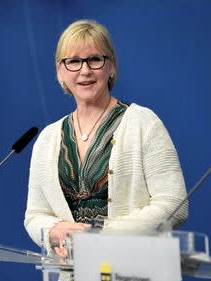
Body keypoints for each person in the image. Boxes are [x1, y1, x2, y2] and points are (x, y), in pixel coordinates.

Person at [24, 19, 188, 259]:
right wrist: (52, 231)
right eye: (73, 61)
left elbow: (174, 204)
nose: (85, 70)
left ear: (111, 66)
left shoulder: (143, 122)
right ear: (60, 71)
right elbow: (35, 214)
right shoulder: (48, 138)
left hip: (138, 278)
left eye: (95, 59)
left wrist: (99, 235)